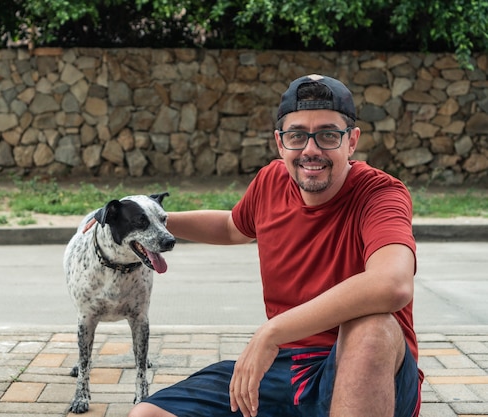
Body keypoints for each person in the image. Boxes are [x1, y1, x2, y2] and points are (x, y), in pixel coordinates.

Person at [128, 74, 423, 417]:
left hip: (363, 367)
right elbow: (230, 227)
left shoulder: (381, 194)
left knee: (373, 326)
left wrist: (272, 331)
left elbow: (392, 284)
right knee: (147, 415)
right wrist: (147, 219)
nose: (311, 150)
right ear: (280, 143)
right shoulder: (270, 181)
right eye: (297, 136)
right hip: (286, 366)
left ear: (351, 141)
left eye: (328, 135)